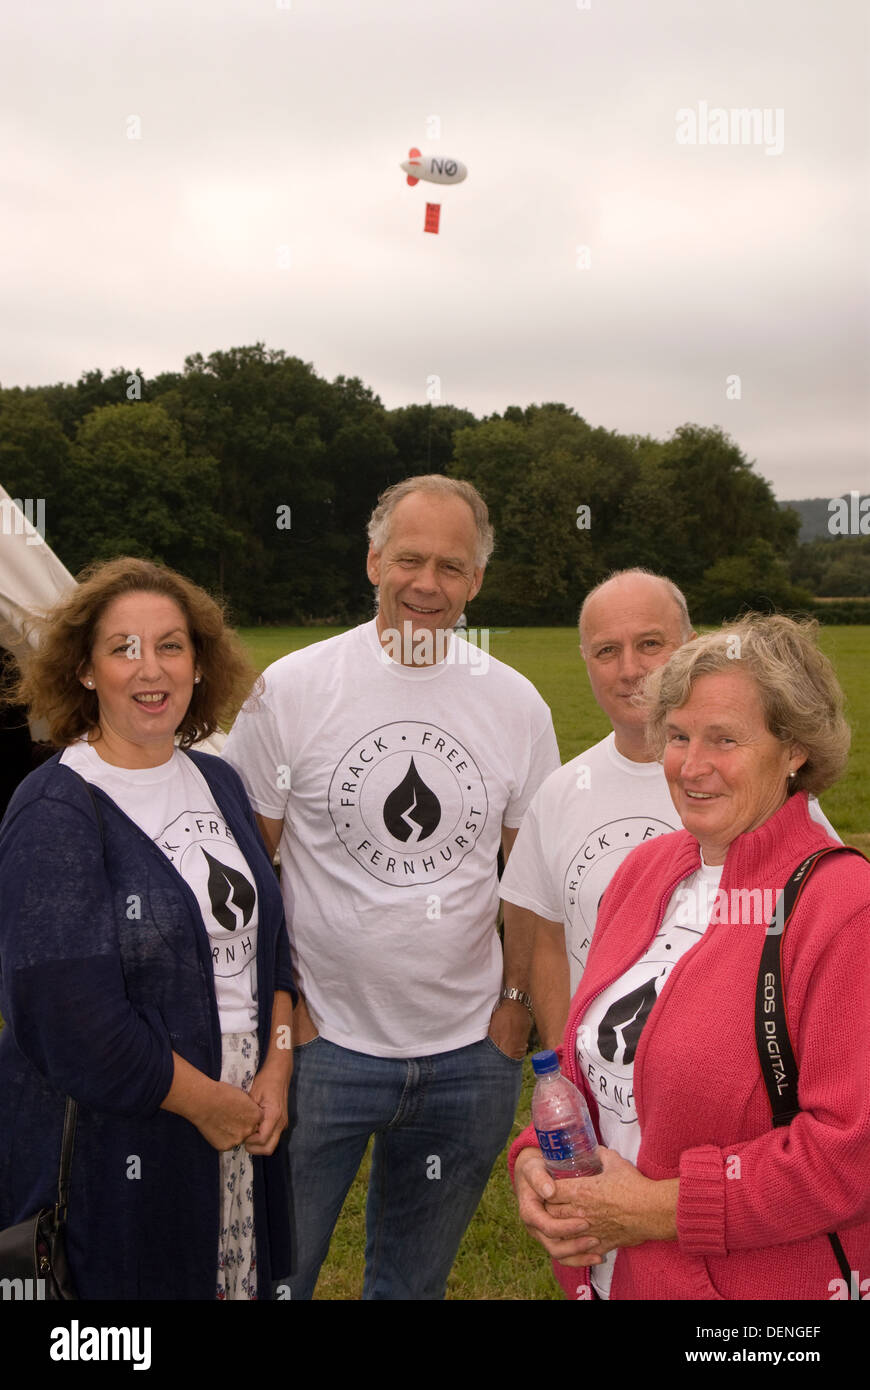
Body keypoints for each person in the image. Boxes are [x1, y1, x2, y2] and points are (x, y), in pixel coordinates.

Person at [224, 473, 560, 1300]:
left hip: (469, 1057)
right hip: (321, 1049)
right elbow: (241, 870)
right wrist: (282, 1013)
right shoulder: (291, 691)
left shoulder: (514, 704)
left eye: (452, 567)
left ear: (476, 582)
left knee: (412, 1287)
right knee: (271, 1278)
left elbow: (533, 884)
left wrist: (517, 1004)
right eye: (409, 558)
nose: (427, 584)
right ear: (373, 560)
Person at [510, 614, 870, 1300]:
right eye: (677, 736)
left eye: (724, 740)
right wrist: (535, 1154)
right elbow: (599, 1065)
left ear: (793, 749)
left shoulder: (843, 907)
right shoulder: (646, 873)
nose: (691, 766)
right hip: (613, 1278)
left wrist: (652, 1209)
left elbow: (849, 1154)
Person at [0, 557, 295, 1300]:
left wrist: (279, 1065)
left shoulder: (218, 779)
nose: (149, 668)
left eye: (170, 645)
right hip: (128, 1132)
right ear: (85, 671)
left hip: (247, 1113)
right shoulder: (56, 811)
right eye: (122, 647)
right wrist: (208, 1102)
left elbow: (272, 951)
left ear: (200, 663)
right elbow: (69, 1021)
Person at [501, 569, 838, 1049]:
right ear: (585, 660)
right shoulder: (558, 793)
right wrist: (564, 1066)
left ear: (690, 645)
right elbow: (551, 936)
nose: (630, 669)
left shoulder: (754, 787)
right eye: (606, 650)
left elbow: (822, 930)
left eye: (650, 644)